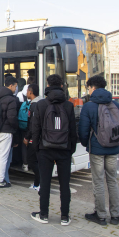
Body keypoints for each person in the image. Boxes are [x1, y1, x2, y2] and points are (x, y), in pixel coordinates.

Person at [78, 75, 119, 226]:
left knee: (98, 181)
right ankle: (115, 215)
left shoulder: (89, 106)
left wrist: (87, 144)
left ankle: (100, 215)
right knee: (112, 181)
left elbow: (83, 130)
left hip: (97, 150)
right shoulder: (115, 104)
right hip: (113, 149)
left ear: (93, 88)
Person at [31, 74, 76, 226]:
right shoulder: (69, 105)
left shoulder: (41, 104)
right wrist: (71, 149)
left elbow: (35, 128)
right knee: (65, 184)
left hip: (45, 148)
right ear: (62, 86)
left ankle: (43, 214)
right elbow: (73, 130)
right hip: (64, 149)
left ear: (48, 85)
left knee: (45, 182)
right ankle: (64, 216)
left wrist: (37, 147)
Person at [0, 76, 18, 188]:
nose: (15, 89)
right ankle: (1, 180)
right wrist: (15, 128)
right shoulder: (11, 99)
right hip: (5, 131)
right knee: (3, 157)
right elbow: (12, 118)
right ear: (11, 85)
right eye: (15, 86)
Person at [22, 84, 43, 191]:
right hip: (41, 137)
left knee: (31, 160)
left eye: (27, 91)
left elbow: (32, 124)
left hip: (34, 137)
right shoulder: (42, 102)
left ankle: (38, 183)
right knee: (37, 160)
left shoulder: (34, 105)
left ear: (30, 92)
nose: (26, 94)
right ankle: (37, 183)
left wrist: (27, 137)